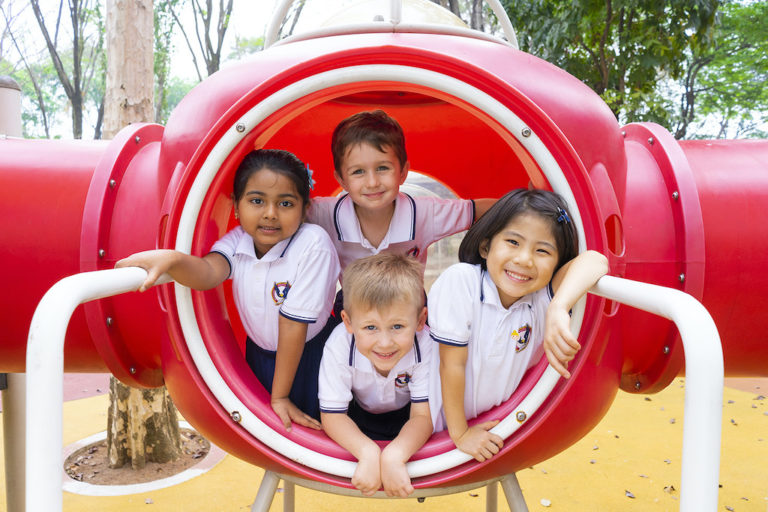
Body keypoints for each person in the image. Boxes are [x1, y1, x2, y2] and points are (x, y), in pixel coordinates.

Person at [116, 149, 340, 432]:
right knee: (274, 435)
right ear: (236, 206)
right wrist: (173, 259)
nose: (270, 214)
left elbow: (293, 324)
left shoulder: (312, 243)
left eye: (285, 203)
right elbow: (209, 272)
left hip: (314, 355)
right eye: (257, 201)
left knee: (317, 433)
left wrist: (280, 394)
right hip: (261, 354)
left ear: (305, 209)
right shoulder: (239, 240)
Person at [427, 188, 608, 462]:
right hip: (438, 424)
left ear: (558, 263)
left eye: (543, 250)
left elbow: (596, 260)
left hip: (493, 424)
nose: (525, 259)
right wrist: (460, 434)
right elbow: (451, 364)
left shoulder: (539, 301)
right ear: (486, 246)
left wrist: (560, 307)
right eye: (513, 242)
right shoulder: (463, 281)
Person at [307, 109, 496, 272]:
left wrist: (524, 203)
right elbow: (285, 210)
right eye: (358, 172)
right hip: (353, 309)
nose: (372, 182)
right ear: (342, 180)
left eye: (382, 168)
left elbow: (481, 209)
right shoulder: (326, 214)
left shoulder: (423, 213)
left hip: (409, 308)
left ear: (403, 172)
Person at [318, 253, 432, 498]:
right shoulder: (339, 344)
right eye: (370, 327)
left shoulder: (426, 345)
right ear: (348, 323)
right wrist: (367, 452)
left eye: (398, 326)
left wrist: (395, 455)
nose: (384, 343)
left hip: (408, 415)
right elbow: (332, 415)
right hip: (357, 414)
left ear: (420, 320)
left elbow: (423, 415)